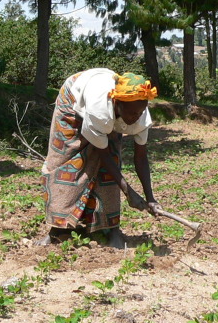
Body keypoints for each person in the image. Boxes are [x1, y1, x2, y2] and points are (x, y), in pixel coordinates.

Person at [40, 69, 160, 249]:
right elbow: (102, 154)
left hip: (104, 106)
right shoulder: (100, 111)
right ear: (116, 103)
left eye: (139, 112)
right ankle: (57, 230)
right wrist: (129, 192)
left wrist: (150, 198)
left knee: (112, 158)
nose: (135, 118)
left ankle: (111, 229)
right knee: (66, 159)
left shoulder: (139, 115)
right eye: (131, 113)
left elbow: (141, 157)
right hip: (73, 97)